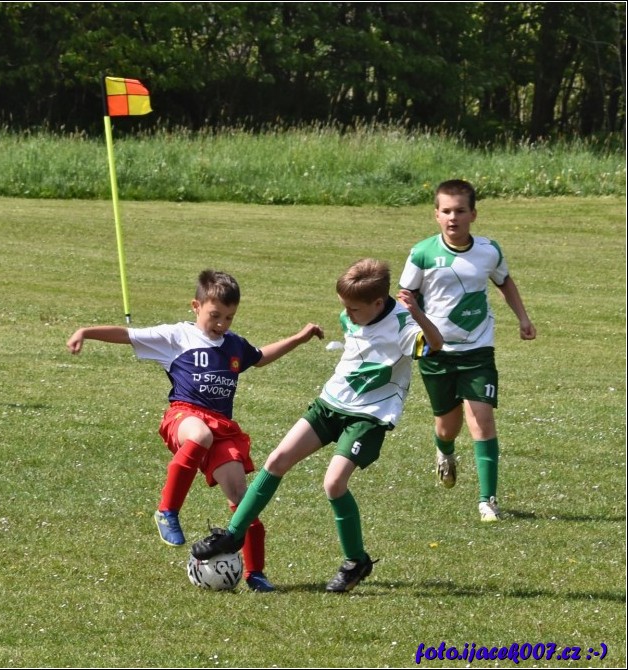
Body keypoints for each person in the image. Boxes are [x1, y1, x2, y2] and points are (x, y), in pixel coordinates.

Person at [191, 258, 443, 593]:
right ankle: (233, 536)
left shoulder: (404, 326)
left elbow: (436, 345)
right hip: (330, 403)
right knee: (277, 460)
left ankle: (355, 561)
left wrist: (418, 315)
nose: (347, 314)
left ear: (378, 303)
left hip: (368, 416)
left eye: (354, 309)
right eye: (345, 307)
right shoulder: (350, 315)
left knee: (334, 484)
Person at [67, 270, 323, 592]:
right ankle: (167, 511)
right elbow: (127, 334)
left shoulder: (234, 345)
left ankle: (255, 573)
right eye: (214, 315)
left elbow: (259, 357)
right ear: (196, 306)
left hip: (223, 429)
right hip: (184, 416)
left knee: (244, 503)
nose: (221, 324)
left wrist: (298, 339)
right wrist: (85, 332)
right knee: (199, 435)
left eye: (229, 317)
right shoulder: (177, 337)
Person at [398, 179, 536, 522]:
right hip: (436, 353)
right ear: (436, 214)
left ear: (473, 214)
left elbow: (504, 281)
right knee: (447, 426)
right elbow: (405, 298)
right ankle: (444, 453)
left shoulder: (489, 251)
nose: (453, 217)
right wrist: (403, 338)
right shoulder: (422, 253)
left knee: (482, 421)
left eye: (460, 211)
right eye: (446, 211)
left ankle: (487, 500)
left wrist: (523, 318)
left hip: (478, 351)